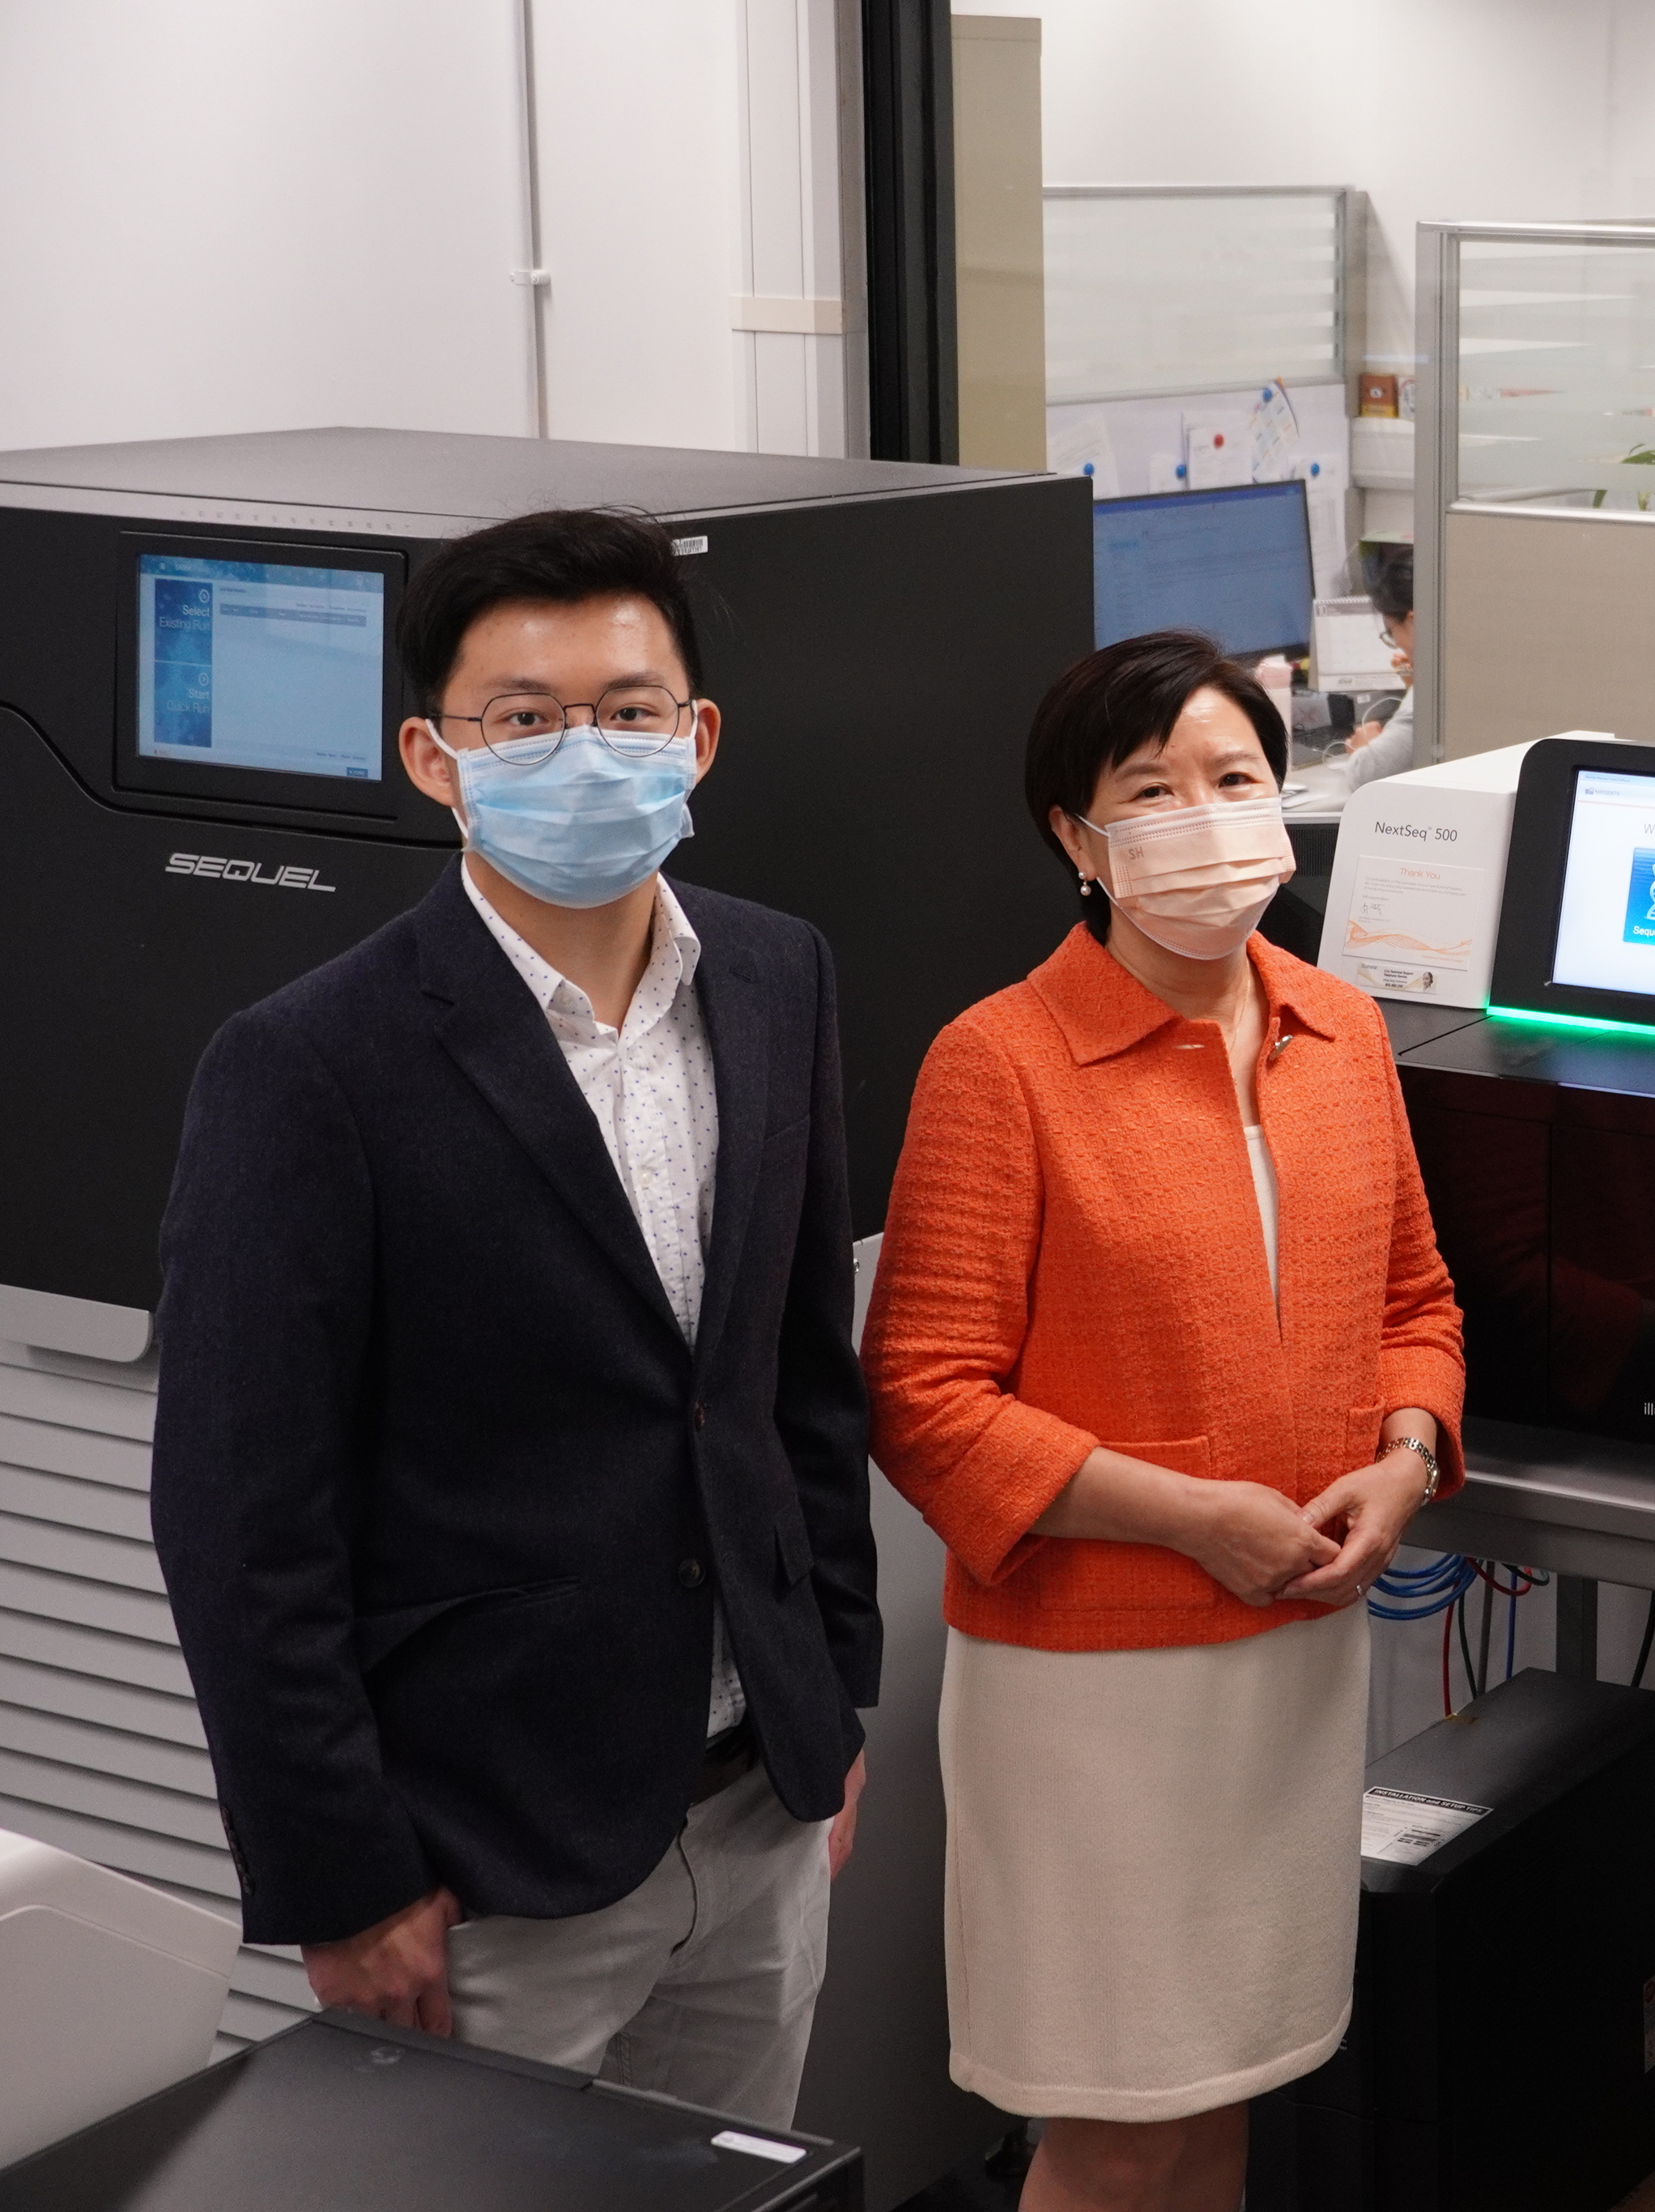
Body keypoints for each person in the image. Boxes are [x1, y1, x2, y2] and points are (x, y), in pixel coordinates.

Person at [149, 507, 880, 2125]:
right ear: (433, 755)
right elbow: (240, 1516)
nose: (585, 752)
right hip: (485, 1860)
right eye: (525, 720)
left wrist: (828, 1696)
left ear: (696, 737)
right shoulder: (309, 1067)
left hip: (756, 1804)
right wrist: (341, 1876)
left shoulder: (778, 977)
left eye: (627, 712)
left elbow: (796, 1382)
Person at [865, 628, 1466, 2212]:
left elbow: (1421, 1305)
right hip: (1093, 1693)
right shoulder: (1000, 1065)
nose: (1209, 818)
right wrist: (1192, 1515)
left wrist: (1404, 1464)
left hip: (1291, 1666)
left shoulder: (1342, 1037)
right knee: (1116, 2122)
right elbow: (925, 1401)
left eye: (1238, 779)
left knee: (1229, 2099)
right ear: (1076, 837)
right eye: (1155, 790)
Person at [1289, 541, 1416, 803]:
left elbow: (1367, 775)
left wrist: (1363, 749)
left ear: (1414, 622)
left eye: (1392, 632)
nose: (1398, 644)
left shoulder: (1429, 700)